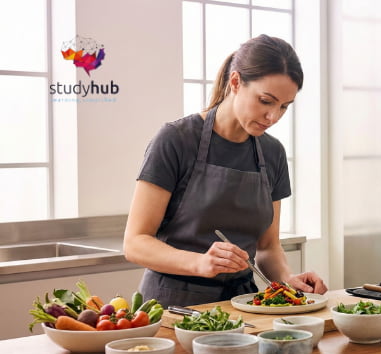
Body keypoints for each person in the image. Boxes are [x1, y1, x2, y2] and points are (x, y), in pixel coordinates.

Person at [123, 34, 327, 307]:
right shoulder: (176, 140)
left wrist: (287, 281)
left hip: (242, 305)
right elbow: (135, 243)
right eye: (266, 101)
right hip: (172, 307)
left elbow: (268, 247)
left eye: (284, 107)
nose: (273, 117)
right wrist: (199, 263)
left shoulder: (273, 153)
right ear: (235, 82)